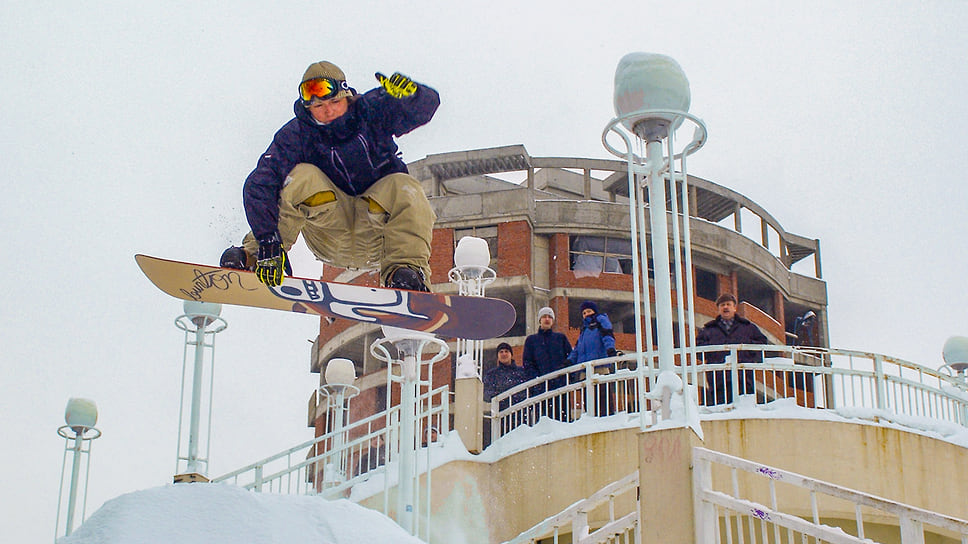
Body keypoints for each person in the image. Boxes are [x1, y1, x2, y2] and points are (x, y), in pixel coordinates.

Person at [220, 61, 440, 292]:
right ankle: (258, 256)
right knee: (301, 177)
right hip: (329, 234)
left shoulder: (373, 111)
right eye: (319, 105)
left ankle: (405, 272)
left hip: (377, 234)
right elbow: (260, 184)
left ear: (347, 96)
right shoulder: (295, 136)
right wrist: (267, 240)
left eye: (335, 102)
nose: (328, 111)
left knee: (405, 186)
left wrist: (415, 95)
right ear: (307, 107)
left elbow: (426, 108)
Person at [696, 293, 768, 405]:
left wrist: (747, 351)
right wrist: (714, 351)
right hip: (718, 379)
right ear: (718, 309)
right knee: (721, 408)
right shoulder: (708, 330)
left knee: (745, 407)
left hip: (743, 377)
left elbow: (762, 343)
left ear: (734, 308)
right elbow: (699, 351)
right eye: (722, 305)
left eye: (728, 304)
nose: (725, 307)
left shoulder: (748, 327)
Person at [522, 307, 572, 419]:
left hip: (560, 388)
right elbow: (528, 363)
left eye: (549, 317)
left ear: (553, 321)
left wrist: (565, 377)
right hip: (541, 388)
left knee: (562, 420)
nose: (547, 319)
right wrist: (536, 379)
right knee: (544, 421)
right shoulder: (532, 341)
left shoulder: (560, 338)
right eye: (544, 317)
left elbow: (570, 358)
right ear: (540, 320)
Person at [568, 301, 617, 365]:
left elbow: (607, 335)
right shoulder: (583, 331)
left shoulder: (600, 321)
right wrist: (569, 361)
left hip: (599, 366)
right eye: (584, 313)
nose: (586, 314)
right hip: (584, 368)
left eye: (589, 311)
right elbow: (577, 349)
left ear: (594, 311)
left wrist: (610, 348)